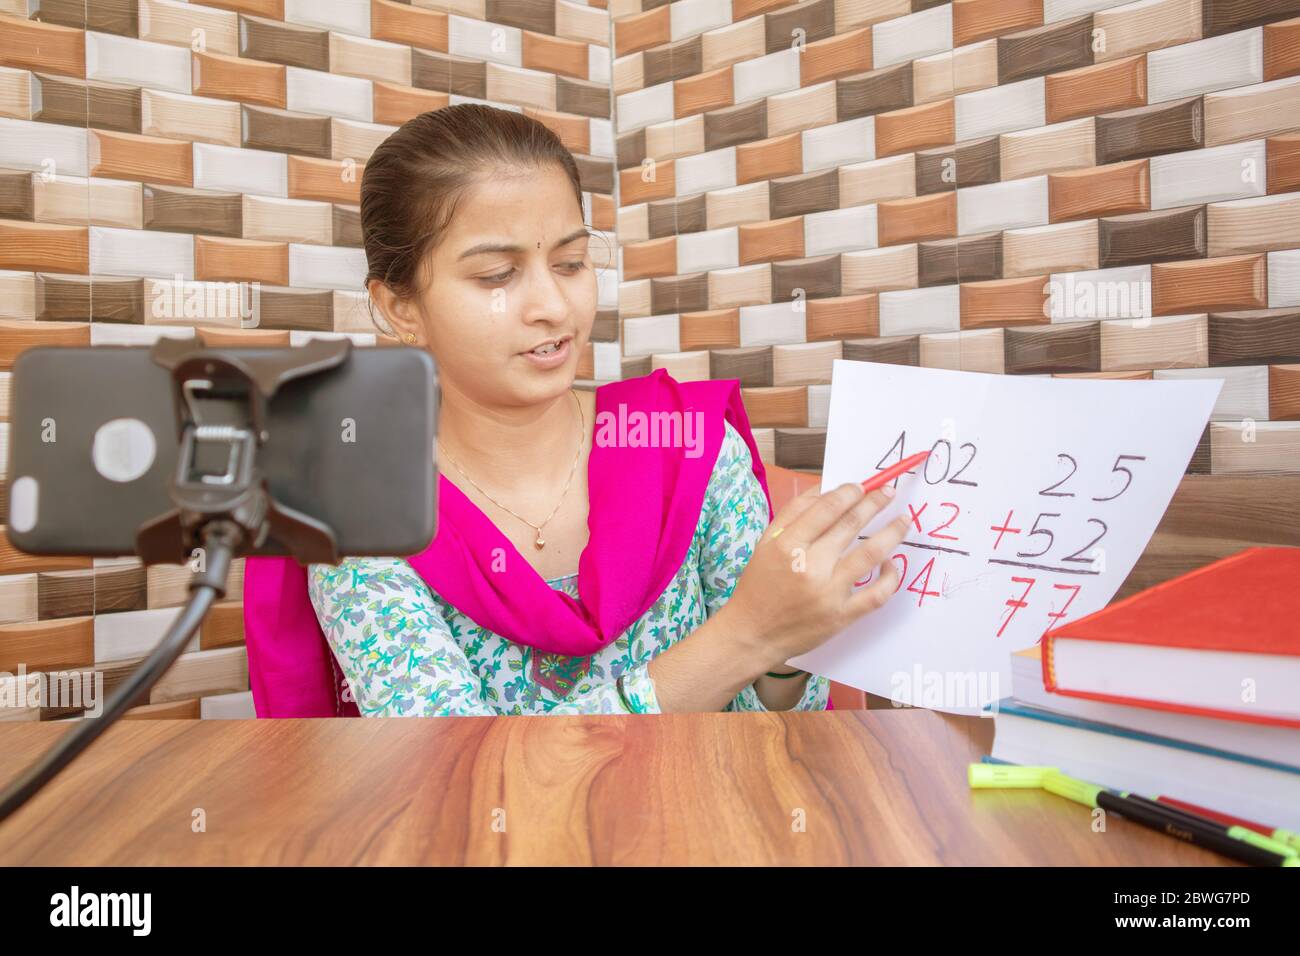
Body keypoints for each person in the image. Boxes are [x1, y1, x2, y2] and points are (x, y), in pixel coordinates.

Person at [244, 103, 909, 717]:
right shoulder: (362, 514)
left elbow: (779, 726)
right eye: (497, 277)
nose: (554, 308)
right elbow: (458, 775)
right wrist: (747, 635)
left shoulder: (683, 447)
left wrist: (787, 649)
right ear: (400, 307)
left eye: (569, 262)